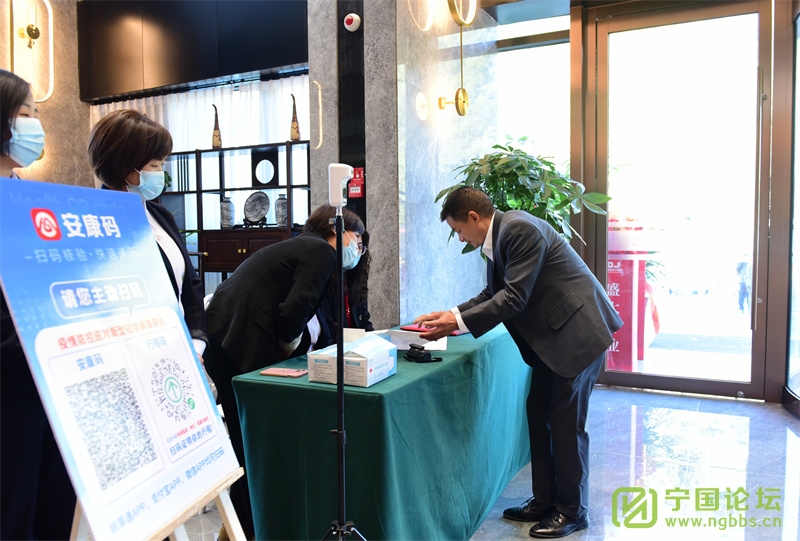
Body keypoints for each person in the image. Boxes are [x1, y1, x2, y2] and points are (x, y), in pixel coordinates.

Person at [414, 187, 623, 539]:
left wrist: (457, 323)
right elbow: (493, 294)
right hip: (554, 340)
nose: (460, 238)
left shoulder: (518, 229)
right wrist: (450, 314)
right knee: (539, 414)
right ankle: (544, 501)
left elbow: (513, 298)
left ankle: (572, 511)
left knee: (566, 425)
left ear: (474, 217)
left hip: (577, 335)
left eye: (458, 230)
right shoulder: (501, 236)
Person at [204, 203, 365, 539]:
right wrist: (286, 348)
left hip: (225, 340)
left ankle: (241, 526)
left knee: (249, 441)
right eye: (357, 239)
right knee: (253, 443)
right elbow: (294, 312)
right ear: (335, 230)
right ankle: (245, 528)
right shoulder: (322, 251)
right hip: (237, 345)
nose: (358, 248)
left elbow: (310, 318)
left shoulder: (302, 248)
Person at [1, 69, 78, 540]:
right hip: (12, 381)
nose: (36, 125)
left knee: (52, 504)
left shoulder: (27, 198)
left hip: (50, 378)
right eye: (27, 113)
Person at [86, 109, 208, 364]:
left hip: (180, 348)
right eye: (154, 165)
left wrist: (196, 344)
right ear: (123, 165)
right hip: (131, 357)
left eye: (162, 164)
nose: (160, 173)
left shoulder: (160, 214)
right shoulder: (93, 220)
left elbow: (190, 284)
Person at [306, 230, 373, 351]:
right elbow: (328, 331)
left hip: (357, 350)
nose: (356, 252)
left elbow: (365, 322)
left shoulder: (354, 280)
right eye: (353, 246)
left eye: (360, 247)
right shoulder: (323, 280)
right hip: (332, 351)